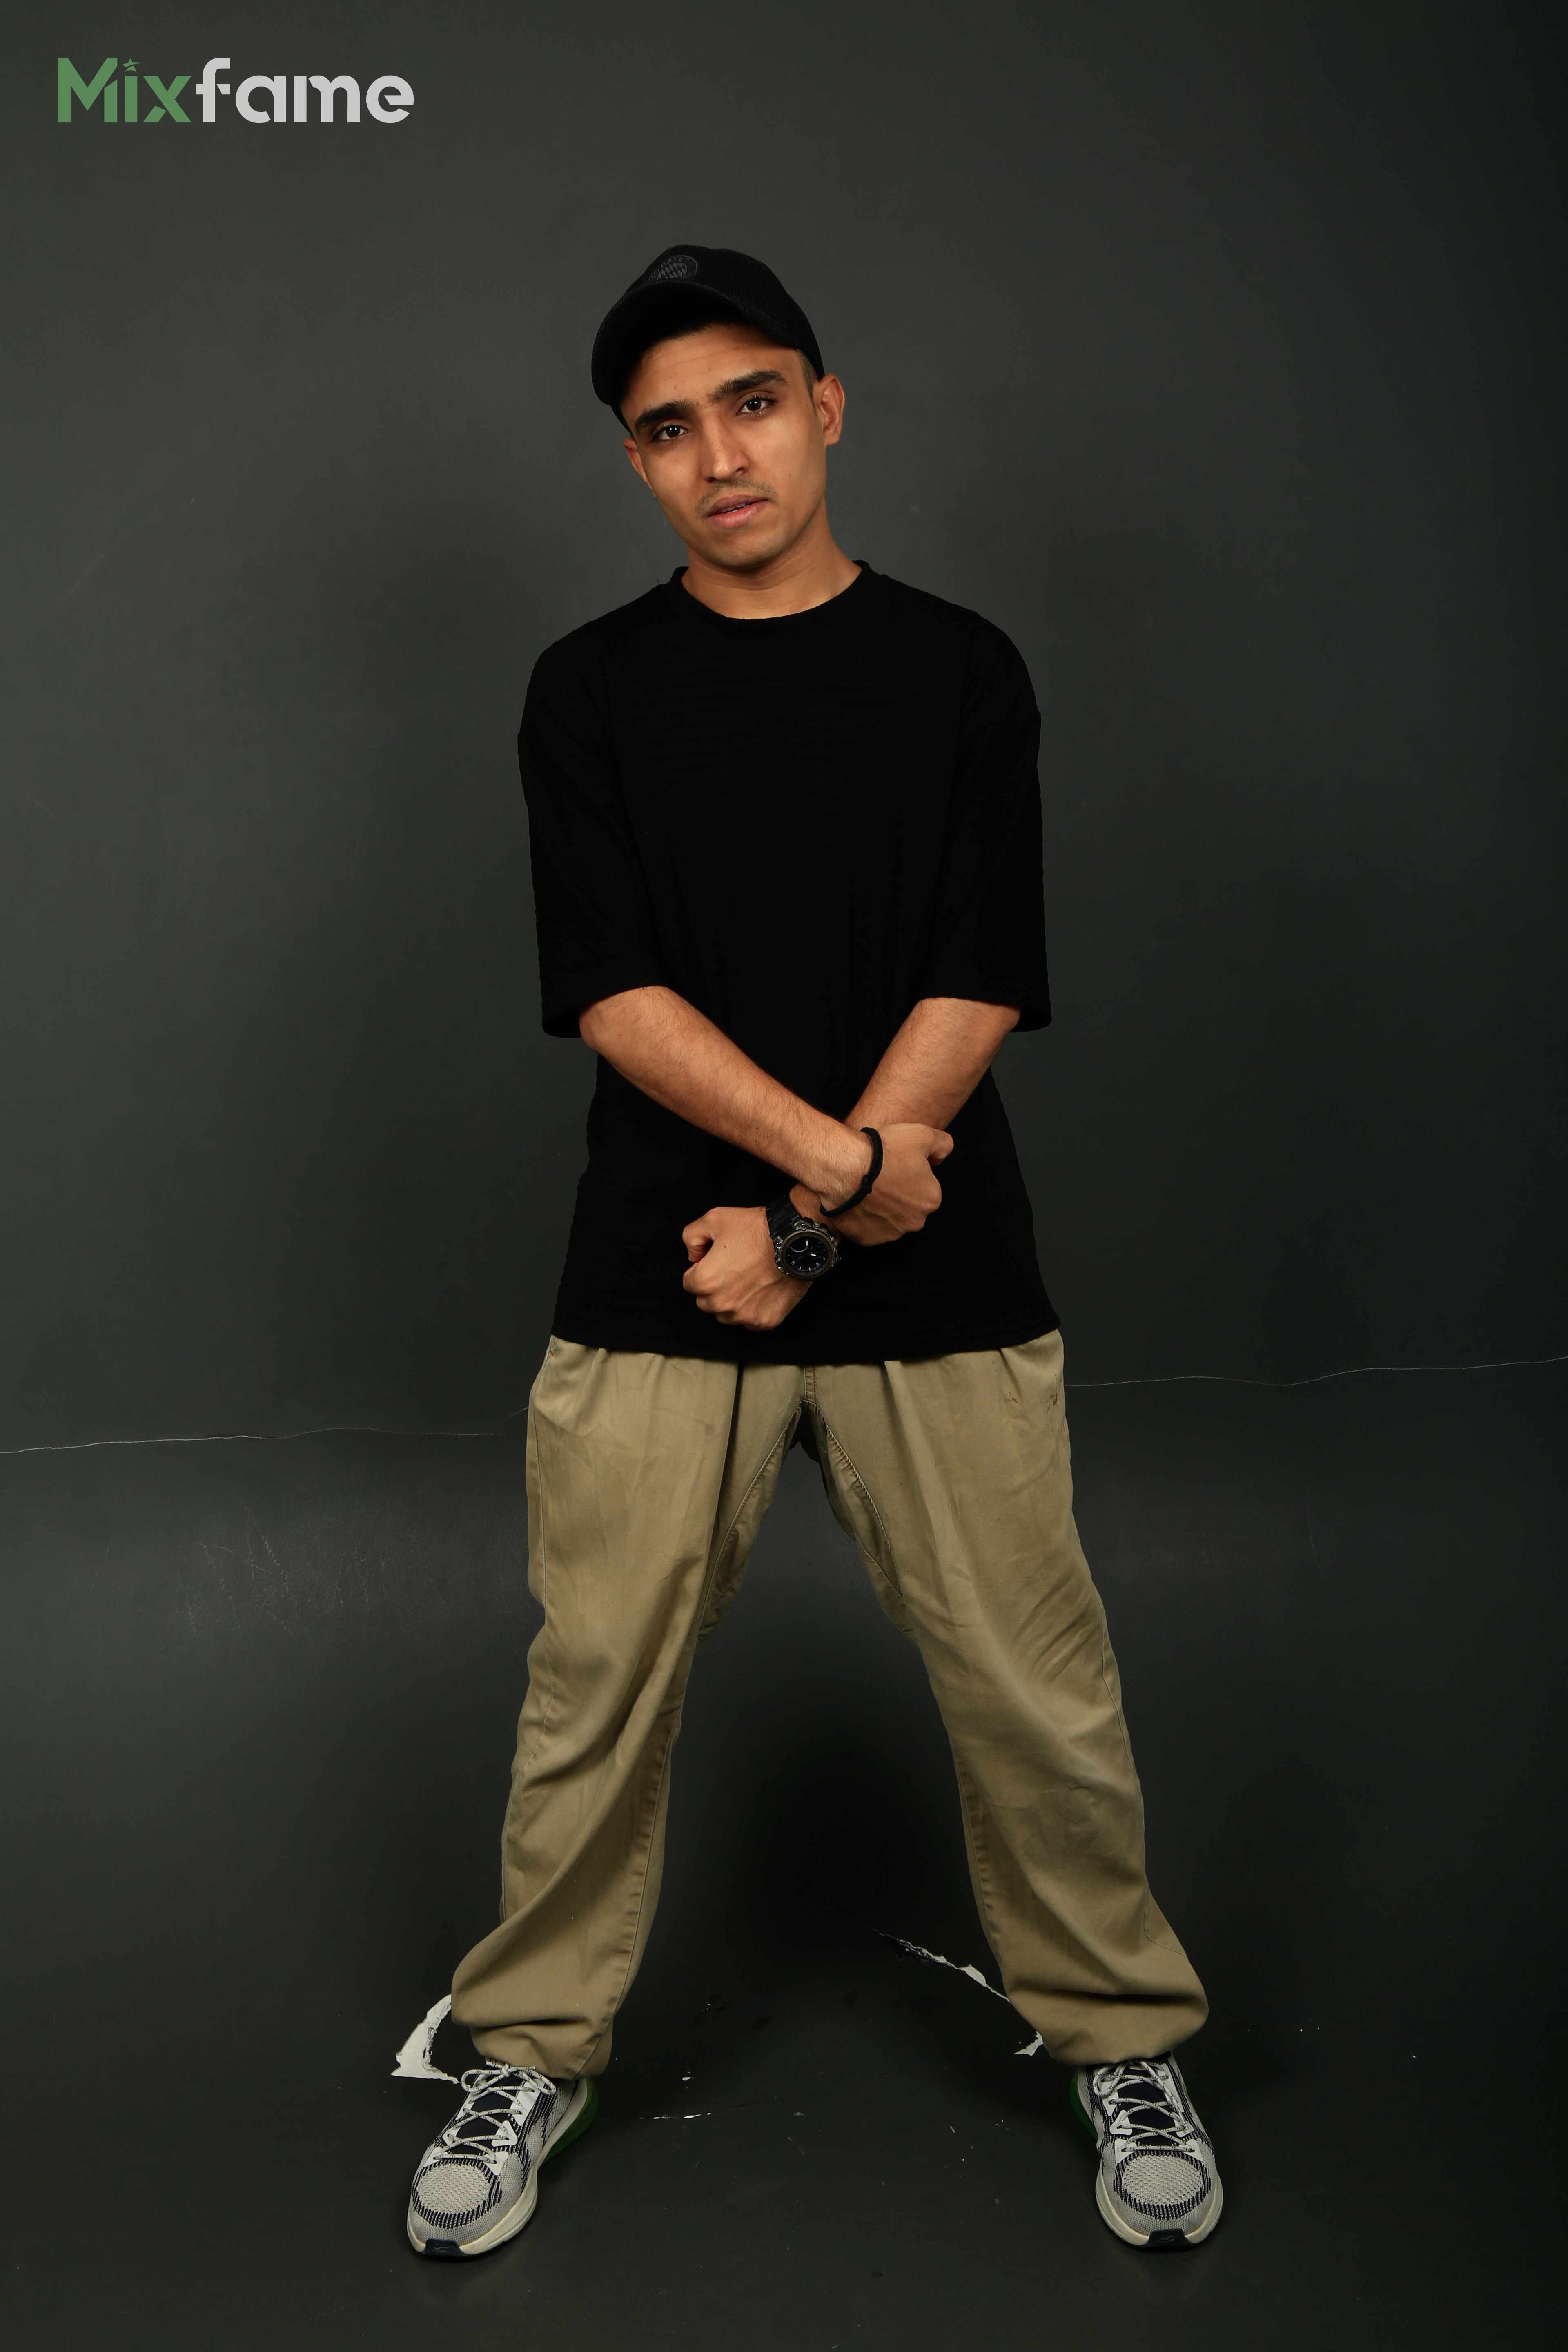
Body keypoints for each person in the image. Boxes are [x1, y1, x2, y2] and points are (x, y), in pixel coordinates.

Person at [405, 245, 1221, 2260]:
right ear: (634, 463)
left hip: (935, 1270)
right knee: (595, 1685)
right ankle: (530, 2047)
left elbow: (981, 976)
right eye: (669, 429)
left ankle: (1121, 2034)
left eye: (754, 402)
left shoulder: (962, 670)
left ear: (827, 406)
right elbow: (616, 997)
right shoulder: (588, 689)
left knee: (1035, 1688)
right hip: (666, 1269)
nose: (722, 456)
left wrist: (808, 1224)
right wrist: (832, 1182)